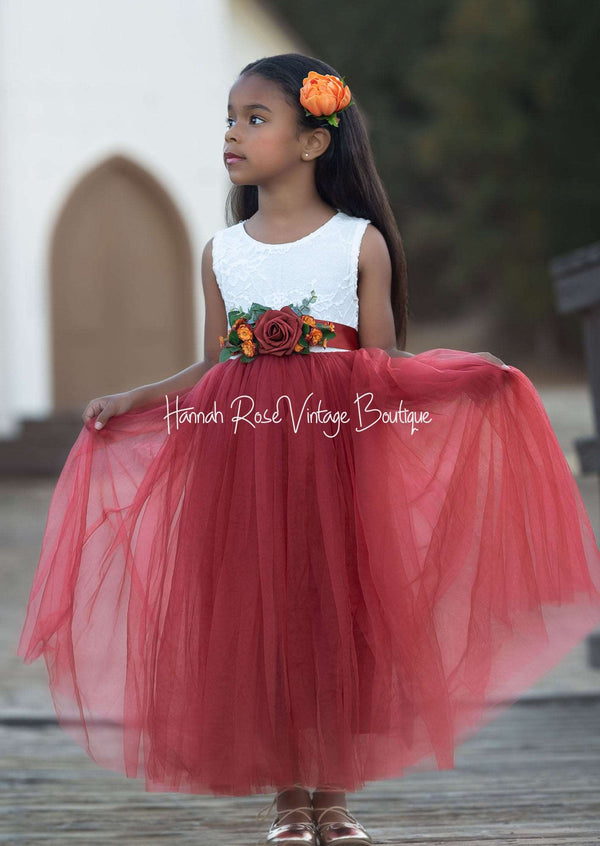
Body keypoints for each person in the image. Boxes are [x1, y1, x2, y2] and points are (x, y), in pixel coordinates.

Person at [16, 53, 600, 846]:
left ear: (313, 142)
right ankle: (289, 803)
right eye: (230, 118)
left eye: (255, 119)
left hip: (334, 455)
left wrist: (463, 375)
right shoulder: (223, 251)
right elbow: (219, 360)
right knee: (260, 616)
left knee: (335, 614)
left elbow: (385, 362)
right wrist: (138, 398)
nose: (233, 132)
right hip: (239, 457)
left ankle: (336, 798)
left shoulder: (359, 242)